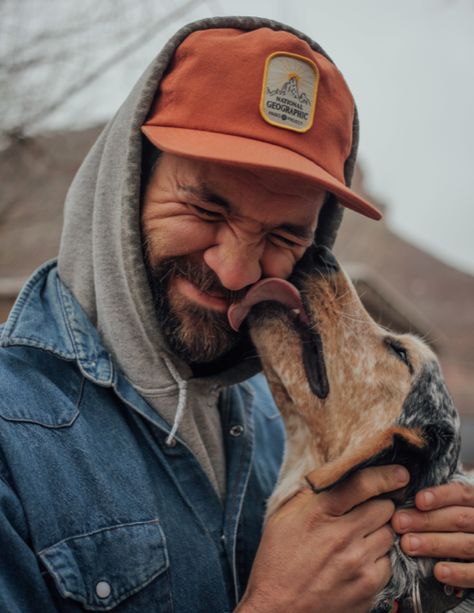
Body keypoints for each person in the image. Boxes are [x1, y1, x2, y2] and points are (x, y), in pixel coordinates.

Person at [0, 16, 473, 613]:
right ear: (124, 185)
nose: (236, 271)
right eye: (203, 206)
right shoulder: (10, 436)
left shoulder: (283, 426)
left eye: (283, 233)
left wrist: (436, 558)